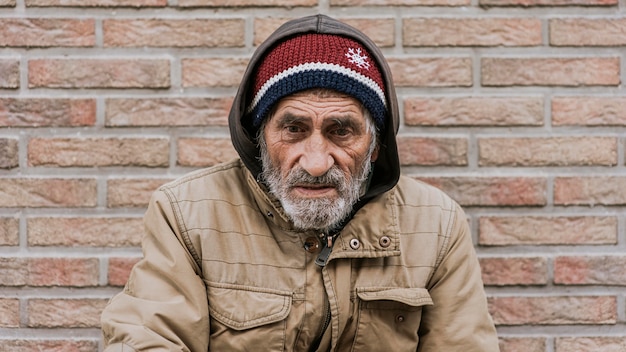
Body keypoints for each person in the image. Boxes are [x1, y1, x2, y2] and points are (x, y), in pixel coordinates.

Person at [101, 14, 500, 352]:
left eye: (341, 130)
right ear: (259, 137)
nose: (314, 162)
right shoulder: (187, 212)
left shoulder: (436, 225)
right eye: (293, 128)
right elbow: (145, 338)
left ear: (375, 146)